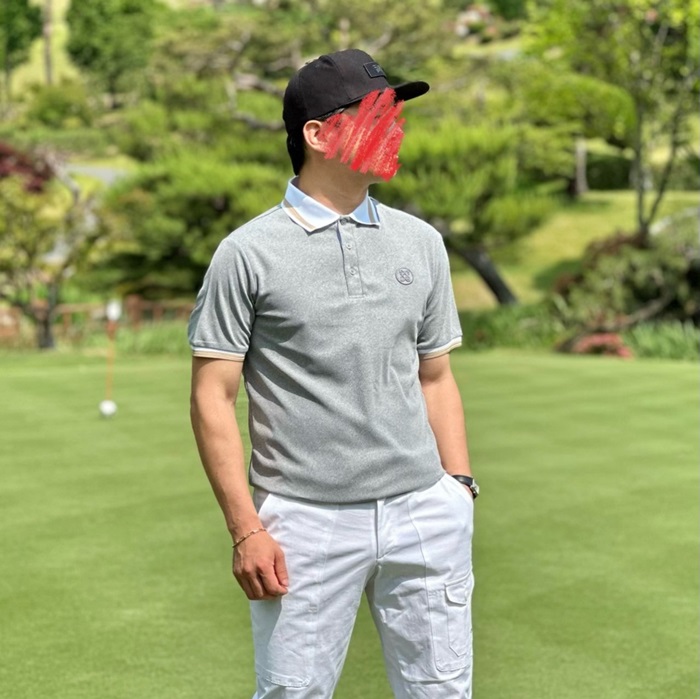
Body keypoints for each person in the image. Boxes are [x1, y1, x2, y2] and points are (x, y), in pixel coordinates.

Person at [188, 48, 478, 699]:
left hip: (423, 512)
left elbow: (436, 376)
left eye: (397, 116)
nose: (397, 129)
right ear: (317, 134)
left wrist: (458, 489)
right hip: (304, 521)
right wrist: (247, 528)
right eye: (378, 116)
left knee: (442, 691)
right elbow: (213, 397)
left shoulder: (422, 243)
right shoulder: (246, 254)